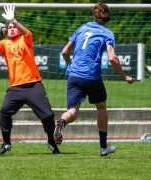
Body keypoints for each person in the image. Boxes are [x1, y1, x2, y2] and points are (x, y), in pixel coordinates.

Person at [54, 2, 135, 156]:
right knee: (101, 107)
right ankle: (103, 147)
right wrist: (124, 76)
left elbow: (65, 51)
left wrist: (70, 66)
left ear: (94, 15)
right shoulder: (107, 33)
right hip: (91, 76)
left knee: (72, 111)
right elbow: (112, 58)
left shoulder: (82, 27)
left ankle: (62, 122)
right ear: (108, 18)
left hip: (73, 75)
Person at [0, 5, 60, 154]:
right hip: (16, 87)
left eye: (13, 27)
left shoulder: (25, 40)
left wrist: (14, 20)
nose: (11, 28)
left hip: (33, 85)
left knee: (48, 115)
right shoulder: (5, 44)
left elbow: (27, 32)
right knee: (4, 111)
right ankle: (6, 143)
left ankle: (51, 140)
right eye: (9, 27)